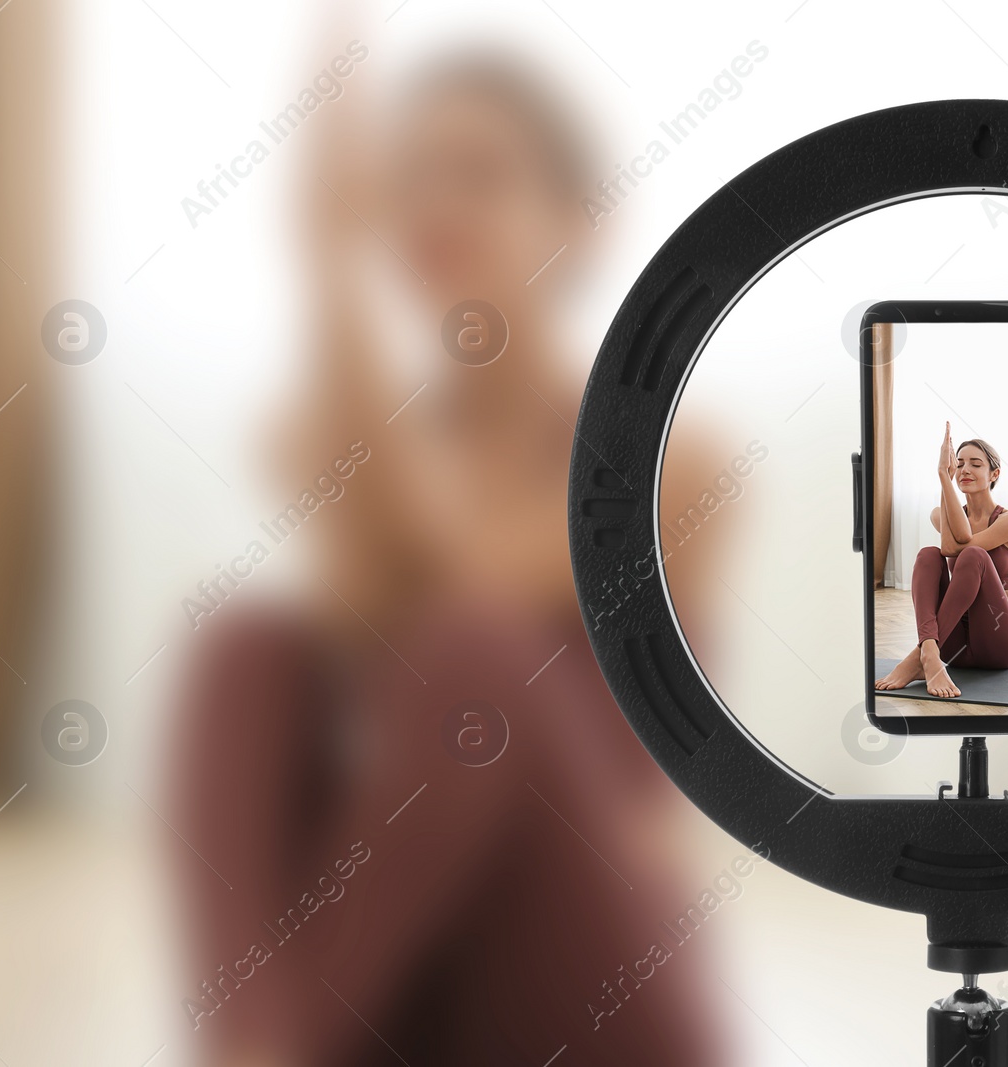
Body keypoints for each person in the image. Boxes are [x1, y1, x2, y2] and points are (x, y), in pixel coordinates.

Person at [166, 50, 724, 1067]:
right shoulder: (342, 437)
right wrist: (327, 266)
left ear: (580, 219)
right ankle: (246, 1044)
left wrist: (327, 267)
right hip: (407, 984)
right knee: (247, 649)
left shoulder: (665, 456)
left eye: (481, 171)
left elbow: (446, 588)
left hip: (586, 984)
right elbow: (372, 603)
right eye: (413, 175)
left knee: (478, 650)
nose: (440, 203)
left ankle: (274, 1048)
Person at [874, 421, 1008, 699]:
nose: (964, 469)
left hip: (999, 637)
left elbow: (958, 547)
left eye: (976, 464)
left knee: (974, 555)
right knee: (927, 555)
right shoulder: (937, 513)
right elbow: (945, 548)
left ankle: (915, 658)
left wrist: (945, 477)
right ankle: (929, 654)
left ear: (995, 474)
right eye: (959, 463)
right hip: (952, 647)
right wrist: (943, 476)